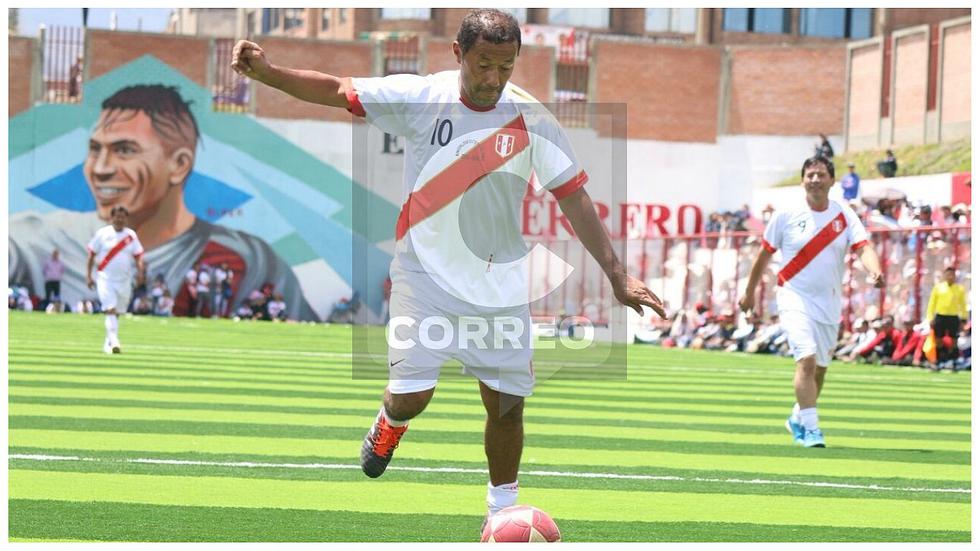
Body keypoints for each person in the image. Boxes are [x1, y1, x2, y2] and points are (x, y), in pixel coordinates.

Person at [231, 8, 667, 526]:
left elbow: (573, 198)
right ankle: (390, 422)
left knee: (507, 404)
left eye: (506, 66)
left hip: (498, 283)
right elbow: (336, 88)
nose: (494, 78)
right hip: (424, 277)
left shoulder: (532, 118)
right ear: (458, 54)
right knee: (413, 397)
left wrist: (617, 275)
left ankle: (501, 512)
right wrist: (269, 73)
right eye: (483, 64)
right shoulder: (421, 97)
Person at [8, 84, 316, 321]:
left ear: (179, 164)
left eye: (124, 150)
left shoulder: (250, 259)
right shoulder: (31, 239)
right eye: (94, 149)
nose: (100, 168)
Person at [739, 155, 883, 448]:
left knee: (820, 369)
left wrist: (875, 270)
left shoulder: (844, 215)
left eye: (820, 174)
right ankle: (813, 430)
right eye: (810, 175)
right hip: (793, 296)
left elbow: (863, 247)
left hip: (828, 302)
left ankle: (798, 416)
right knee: (805, 358)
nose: (815, 179)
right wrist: (749, 292)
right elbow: (763, 256)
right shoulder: (786, 214)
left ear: (831, 180)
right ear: (803, 180)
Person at [86, 206, 145, 354]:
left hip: (124, 280)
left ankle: (108, 342)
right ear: (111, 218)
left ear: (126, 219)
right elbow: (92, 255)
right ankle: (114, 341)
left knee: (117, 312)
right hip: (105, 279)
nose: (119, 220)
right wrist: (88, 276)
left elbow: (138, 257)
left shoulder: (131, 236)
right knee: (110, 309)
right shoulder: (102, 234)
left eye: (122, 217)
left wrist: (140, 273)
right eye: (117, 217)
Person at [926, 267, 969, 367]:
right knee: (938, 339)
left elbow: (963, 305)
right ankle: (939, 361)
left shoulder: (960, 289)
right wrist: (930, 317)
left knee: (954, 340)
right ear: (945, 276)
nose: (950, 277)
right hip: (940, 316)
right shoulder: (938, 288)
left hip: (953, 317)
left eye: (952, 275)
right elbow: (932, 304)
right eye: (948, 274)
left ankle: (953, 361)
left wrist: (963, 319)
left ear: (955, 276)